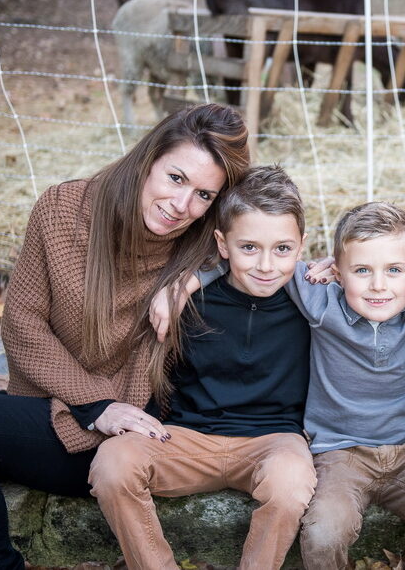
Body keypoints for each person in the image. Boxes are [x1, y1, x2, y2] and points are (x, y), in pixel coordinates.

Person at [0, 104, 250, 570]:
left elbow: (271, 247)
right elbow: (22, 322)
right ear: (147, 159)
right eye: (175, 178)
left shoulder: (201, 244)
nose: (182, 206)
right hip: (63, 404)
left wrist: (196, 278)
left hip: (123, 435)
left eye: (203, 195)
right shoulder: (64, 210)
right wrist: (96, 403)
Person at [88, 165, 317, 570]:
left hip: (273, 439)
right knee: (113, 463)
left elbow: (379, 285)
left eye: (282, 249)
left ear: (301, 247)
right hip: (185, 437)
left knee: (290, 481)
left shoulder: (315, 302)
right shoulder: (186, 297)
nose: (266, 265)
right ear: (222, 245)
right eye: (249, 247)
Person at [290, 202, 405, 570]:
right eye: (362, 270)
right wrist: (190, 281)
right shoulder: (320, 301)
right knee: (323, 531)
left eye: (394, 270)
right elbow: (258, 257)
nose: (378, 285)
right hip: (340, 454)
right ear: (339, 275)